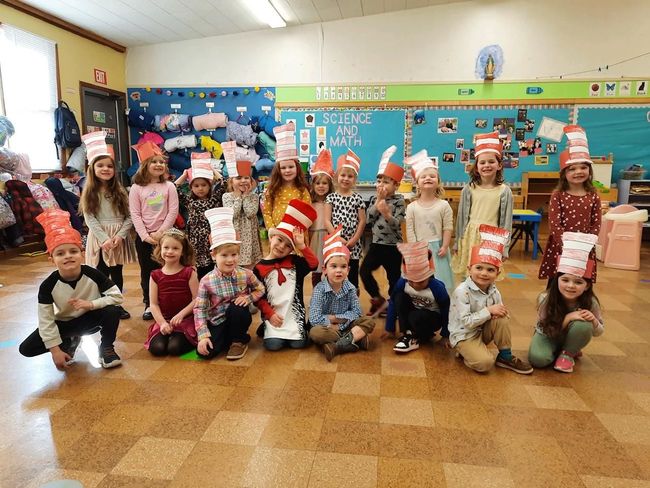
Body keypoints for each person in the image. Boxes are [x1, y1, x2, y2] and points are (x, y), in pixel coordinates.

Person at [18, 209, 123, 370]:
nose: (68, 256)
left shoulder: (93, 273)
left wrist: (91, 304)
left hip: (91, 318)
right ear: (51, 259)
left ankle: (106, 348)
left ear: (82, 254)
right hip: (65, 323)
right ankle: (68, 341)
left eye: (73, 251)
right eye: (60, 253)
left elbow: (117, 297)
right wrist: (55, 350)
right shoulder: (47, 285)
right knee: (26, 348)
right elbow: (46, 320)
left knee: (112, 311)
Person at [449, 225, 532, 374]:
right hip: (465, 335)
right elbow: (466, 322)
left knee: (502, 317)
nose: (484, 274)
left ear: (497, 273)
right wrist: (488, 311)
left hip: (482, 331)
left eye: (490, 270)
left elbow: (500, 314)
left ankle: (505, 356)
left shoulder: (493, 290)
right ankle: (463, 351)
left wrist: (497, 313)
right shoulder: (462, 292)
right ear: (469, 269)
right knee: (485, 364)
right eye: (479, 268)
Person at [194, 208, 265, 360]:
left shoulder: (245, 274)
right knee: (205, 354)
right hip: (217, 320)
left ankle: (238, 340)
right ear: (213, 255)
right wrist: (203, 336)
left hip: (238, 317)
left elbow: (260, 288)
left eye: (234, 254)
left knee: (237, 307)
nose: (230, 260)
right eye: (224, 255)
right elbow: (199, 309)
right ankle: (231, 338)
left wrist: (249, 298)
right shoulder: (206, 280)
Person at [79, 131, 135, 320]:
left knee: (117, 273)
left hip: (118, 237)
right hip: (100, 237)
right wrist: (104, 239)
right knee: (100, 273)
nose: (105, 169)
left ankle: (116, 304)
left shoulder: (120, 190)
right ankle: (102, 305)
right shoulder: (89, 192)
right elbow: (90, 218)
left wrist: (120, 236)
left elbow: (129, 217)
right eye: (100, 165)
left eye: (109, 166)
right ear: (92, 168)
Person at [529, 232, 603, 373]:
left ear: (587, 286)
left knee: (583, 325)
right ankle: (562, 348)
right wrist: (568, 318)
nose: (570, 286)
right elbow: (544, 328)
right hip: (548, 335)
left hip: (571, 334)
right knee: (538, 359)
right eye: (565, 280)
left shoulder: (591, 302)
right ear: (557, 280)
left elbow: (599, 332)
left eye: (578, 282)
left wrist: (593, 321)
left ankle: (568, 353)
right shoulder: (545, 298)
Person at [539, 125, 601, 284]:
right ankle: (553, 308)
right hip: (561, 247)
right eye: (572, 169)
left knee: (582, 280)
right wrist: (567, 245)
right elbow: (554, 224)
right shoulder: (558, 195)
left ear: (590, 170)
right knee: (558, 281)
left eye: (583, 167)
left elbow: (596, 223)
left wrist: (586, 244)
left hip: (584, 248)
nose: (578, 172)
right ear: (564, 174)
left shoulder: (593, 195)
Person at [254, 200, 318, 350]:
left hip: (293, 316)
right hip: (273, 316)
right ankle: (266, 327)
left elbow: (314, 264)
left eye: (288, 245)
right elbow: (258, 297)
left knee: (299, 345)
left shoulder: (295, 262)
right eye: (280, 240)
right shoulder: (259, 267)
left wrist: (302, 246)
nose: (282, 246)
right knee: (273, 346)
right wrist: (269, 314)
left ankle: (295, 331)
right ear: (271, 238)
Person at [129, 142, 179, 320]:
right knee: (147, 272)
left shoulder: (169, 186)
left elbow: (173, 211)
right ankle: (149, 304)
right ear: (145, 165)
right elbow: (135, 213)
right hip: (145, 238)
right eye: (154, 162)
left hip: (166, 238)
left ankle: (167, 303)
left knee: (168, 270)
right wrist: (145, 235)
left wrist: (161, 234)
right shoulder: (137, 188)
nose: (159, 165)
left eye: (162, 162)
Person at [309, 227, 375, 361]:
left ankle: (337, 346)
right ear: (325, 270)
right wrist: (333, 321)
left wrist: (337, 320)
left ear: (348, 270)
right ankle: (355, 339)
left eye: (343, 267)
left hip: (346, 324)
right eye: (333, 266)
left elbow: (357, 313)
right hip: (326, 328)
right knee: (315, 333)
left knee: (369, 321)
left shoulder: (350, 288)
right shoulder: (319, 289)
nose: (338, 271)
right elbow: (315, 318)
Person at [452, 132, 513, 279]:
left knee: (487, 274)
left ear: (499, 165)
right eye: (482, 162)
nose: (487, 165)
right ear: (476, 166)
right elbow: (461, 219)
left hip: (492, 238)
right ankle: (467, 301)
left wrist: (504, 248)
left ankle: (486, 301)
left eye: (491, 162)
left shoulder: (505, 191)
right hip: (470, 237)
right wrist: (457, 242)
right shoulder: (468, 189)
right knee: (469, 273)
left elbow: (506, 222)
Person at [361, 145, 406, 316]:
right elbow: (369, 220)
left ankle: (393, 306)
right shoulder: (374, 198)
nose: (381, 185)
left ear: (396, 185)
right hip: (377, 245)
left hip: (394, 247)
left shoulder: (399, 201)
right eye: (379, 181)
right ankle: (378, 300)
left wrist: (387, 214)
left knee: (394, 279)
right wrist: (377, 202)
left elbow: (397, 224)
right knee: (364, 271)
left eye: (386, 182)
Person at [385, 241, 450, 353]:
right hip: (412, 315)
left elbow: (447, 311)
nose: (415, 285)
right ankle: (409, 333)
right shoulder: (402, 282)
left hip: (431, 318)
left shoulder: (438, 288)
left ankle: (419, 336)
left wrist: (445, 335)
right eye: (411, 281)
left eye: (420, 282)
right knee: (399, 298)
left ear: (429, 276)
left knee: (416, 316)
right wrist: (390, 328)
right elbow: (393, 303)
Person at [405, 150, 454, 291]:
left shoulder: (444, 205)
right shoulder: (412, 207)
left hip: (438, 248)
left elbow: (447, 227)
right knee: (421, 282)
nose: (428, 178)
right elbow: (410, 229)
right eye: (423, 176)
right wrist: (415, 249)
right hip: (420, 249)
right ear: (417, 183)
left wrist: (445, 245)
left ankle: (441, 303)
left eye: (432, 176)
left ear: (438, 181)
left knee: (440, 280)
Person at [144, 229, 198, 356]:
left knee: (175, 349)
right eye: (166, 247)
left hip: (185, 319)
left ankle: (179, 337)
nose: (169, 251)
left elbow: (197, 299)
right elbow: (153, 304)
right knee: (157, 349)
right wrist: (162, 323)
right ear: (160, 249)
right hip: (164, 319)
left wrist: (181, 315)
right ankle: (168, 334)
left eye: (175, 248)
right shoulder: (155, 275)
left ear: (182, 251)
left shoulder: (189, 273)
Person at [174, 156, 223, 280]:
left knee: (212, 264)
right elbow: (174, 188)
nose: (200, 188)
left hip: (210, 238)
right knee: (197, 267)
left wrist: (212, 170)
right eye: (196, 186)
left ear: (209, 186)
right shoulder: (189, 201)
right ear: (191, 188)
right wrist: (185, 175)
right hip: (195, 239)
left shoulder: (213, 200)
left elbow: (224, 183)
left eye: (203, 185)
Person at [325, 149, 366, 289]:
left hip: (353, 244)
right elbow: (327, 221)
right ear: (337, 177)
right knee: (334, 272)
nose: (346, 178)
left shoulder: (358, 199)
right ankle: (332, 299)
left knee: (352, 274)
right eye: (343, 175)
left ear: (354, 179)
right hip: (335, 243)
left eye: (350, 176)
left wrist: (354, 240)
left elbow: (362, 221)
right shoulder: (331, 198)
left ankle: (352, 301)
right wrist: (337, 238)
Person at [221, 141, 262, 269]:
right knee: (236, 263)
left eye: (246, 178)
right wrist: (239, 197)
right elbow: (233, 213)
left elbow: (250, 213)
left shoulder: (254, 196)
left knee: (250, 265)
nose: (243, 181)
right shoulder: (227, 196)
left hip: (250, 237)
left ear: (251, 180)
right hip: (236, 235)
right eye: (238, 178)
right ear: (231, 182)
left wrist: (245, 196)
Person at [262, 122, 311, 230]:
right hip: (278, 235)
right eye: (283, 168)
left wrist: (300, 229)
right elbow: (267, 212)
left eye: (291, 167)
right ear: (278, 170)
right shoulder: (272, 189)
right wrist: (272, 229)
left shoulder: (302, 189)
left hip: (298, 234)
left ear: (297, 168)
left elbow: (308, 212)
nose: (287, 170)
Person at [308, 149, 335, 287]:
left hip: (328, 237)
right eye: (317, 183)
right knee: (316, 269)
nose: (321, 186)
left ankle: (329, 295)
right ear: (313, 185)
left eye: (324, 183)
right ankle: (317, 295)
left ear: (330, 185)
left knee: (330, 267)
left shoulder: (333, 202)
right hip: (314, 239)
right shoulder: (310, 202)